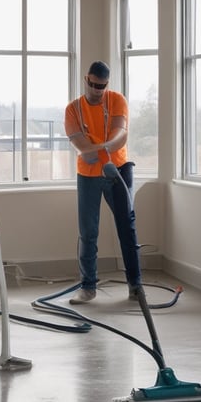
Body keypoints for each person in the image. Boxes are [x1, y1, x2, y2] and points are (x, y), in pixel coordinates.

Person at [64, 60, 142, 304]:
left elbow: (120, 136)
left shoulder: (117, 100)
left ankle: (135, 285)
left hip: (117, 170)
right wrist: (102, 148)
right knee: (88, 232)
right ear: (86, 79)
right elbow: (81, 146)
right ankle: (88, 286)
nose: (96, 90)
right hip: (88, 175)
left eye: (102, 86)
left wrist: (98, 148)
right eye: (93, 84)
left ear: (107, 84)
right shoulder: (73, 109)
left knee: (126, 228)